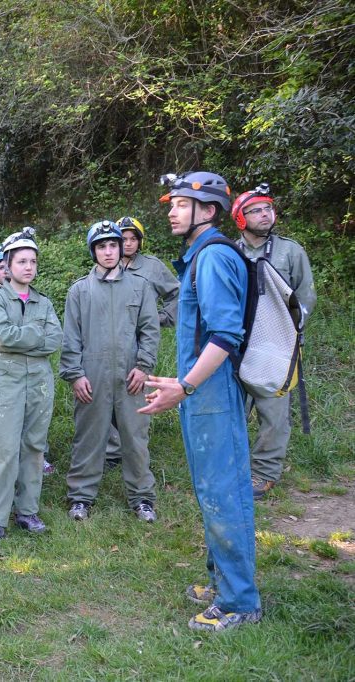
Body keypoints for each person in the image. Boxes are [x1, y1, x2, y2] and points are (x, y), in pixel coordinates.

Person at [141, 170, 262, 632]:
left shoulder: (212, 257)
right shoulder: (199, 257)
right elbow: (200, 337)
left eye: (179, 204)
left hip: (212, 394)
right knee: (211, 490)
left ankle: (239, 602)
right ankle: (223, 582)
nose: (171, 211)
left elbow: (226, 336)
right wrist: (183, 381)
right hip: (201, 390)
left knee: (222, 492)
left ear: (207, 210)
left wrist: (185, 386)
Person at [60, 220, 160, 523]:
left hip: (131, 377)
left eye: (113, 245)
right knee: (88, 438)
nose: (108, 251)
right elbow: (71, 338)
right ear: (94, 251)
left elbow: (150, 331)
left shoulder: (140, 287)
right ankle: (81, 497)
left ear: (121, 248)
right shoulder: (79, 291)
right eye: (101, 246)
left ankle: (142, 498)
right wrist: (75, 374)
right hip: (92, 376)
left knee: (135, 438)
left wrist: (143, 367)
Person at [0, 228, 62, 545]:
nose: (28, 267)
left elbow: (56, 339)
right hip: (6, 378)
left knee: (34, 446)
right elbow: (4, 336)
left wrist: (24, 338)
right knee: (4, 450)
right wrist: (34, 339)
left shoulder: (44, 302)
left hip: (40, 380)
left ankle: (27, 511)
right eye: (22, 261)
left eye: (33, 261)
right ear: (8, 265)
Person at [231, 184, 316, 498]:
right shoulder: (230, 251)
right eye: (256, 210)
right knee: (233, 409)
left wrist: (292, 335)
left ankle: (264, 473)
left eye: (268, 209)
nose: (265, 215)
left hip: (277, 346)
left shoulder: (290, 251)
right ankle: (233, 467)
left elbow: (305, 296)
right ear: (240, 217)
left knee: (274, 411)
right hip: (237, 345)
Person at [104, 216, 182, 469]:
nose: (127, 244)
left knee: (136, 389)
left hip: (141, 339)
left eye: (132, 239)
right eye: (122, 239)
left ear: (139, 241)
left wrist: (163, 318)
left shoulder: (151, 267)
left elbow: (177, 292)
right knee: (109, 391)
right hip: (110, 339)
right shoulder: (106, 264)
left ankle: (135, 448)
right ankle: (112, 450)